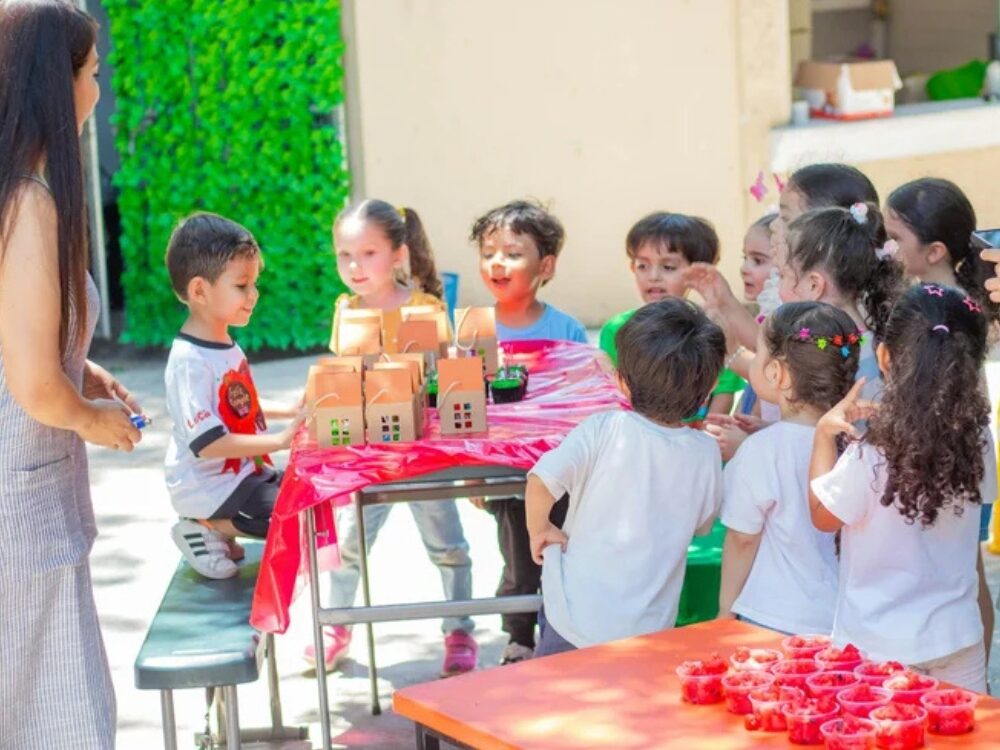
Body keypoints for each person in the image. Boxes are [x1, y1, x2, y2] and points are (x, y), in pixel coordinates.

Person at [0, 2, 143, 746]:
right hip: (18, 524)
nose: (98, 88)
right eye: (92, 73)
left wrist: (81, 367)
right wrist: (94, 418)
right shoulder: (27, 201)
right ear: (54, 85)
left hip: (31, 505)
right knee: (54, 717)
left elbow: (20, 340)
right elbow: (28, 382)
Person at [309, 199, 478, 677]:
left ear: (398, 254)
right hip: (368, 456)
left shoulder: (425, 307)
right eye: (345, 255)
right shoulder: (345, 311)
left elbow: (448, 378)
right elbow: (343, 381)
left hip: (422, 454)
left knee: (448, 547)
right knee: (347, 547)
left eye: (367, 253)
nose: (354, 267)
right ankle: (335, 626)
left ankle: (459, 629)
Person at [810, 283, 996, 692]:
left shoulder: (870, 454)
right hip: (958, 639)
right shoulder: (978, 438)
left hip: (879, 650)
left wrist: (824, 435)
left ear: (884, 358)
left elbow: (823, 517)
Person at [527, 298, 724, 655]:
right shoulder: (706, 452)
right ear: (707, 391)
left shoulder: (603, 427)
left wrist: (540, 530)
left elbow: (540, 481)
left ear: (622, 383)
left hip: (571, 616)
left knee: (554, 706)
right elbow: (702, 525)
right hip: (646, 630)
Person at [885, 177, 998, 660]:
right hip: (959, 447)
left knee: (964, 571)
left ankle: (977, 670)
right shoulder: (940, 295)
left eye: (894, 237)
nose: (884, 247)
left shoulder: (940, 308)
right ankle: (976, 672)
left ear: (934, 250)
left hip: (952, 448)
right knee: (963, 570)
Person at [468, 199, 585, 664]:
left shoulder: (566, 329)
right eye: (489, 251)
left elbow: (583, 403)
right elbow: (463, 405)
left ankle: (562, 633)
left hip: (558, 471)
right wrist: (474, 473)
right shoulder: (472, 329)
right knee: (518, 559)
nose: (498, 262)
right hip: (505, 472)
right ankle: (519, 636)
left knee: (561, 554)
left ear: (546, 265)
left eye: (513, 252)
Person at [164, 213, 305, 579]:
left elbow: (238, 407)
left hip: (243, 474)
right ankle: (207, 525)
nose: (254, 294)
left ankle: (221, 527)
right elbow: (207, 442)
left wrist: (289, 410)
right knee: (290, 513)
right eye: (242, 286)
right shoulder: (189, 361)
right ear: (199, 291)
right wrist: (279, 439)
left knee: (307, 493)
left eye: (254, 283)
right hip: (210, 486)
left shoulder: (225, 344)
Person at [719, 302, 861, 634]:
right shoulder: (857, 445)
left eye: (757, 353)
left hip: (771, 618)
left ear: (776, 374)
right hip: (843, 620)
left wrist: (726, 608)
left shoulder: (760, 451)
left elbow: (742, 538)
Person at [599, 211, 744, 419]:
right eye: (643, 266)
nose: (653, 277)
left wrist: (708, 435)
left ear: (698, 271)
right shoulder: (615, 329)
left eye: (668, 267)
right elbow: (611, 394)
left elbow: (724, 392)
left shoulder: (715, 329)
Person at [778, 202, 905, 401]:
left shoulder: (838, 353)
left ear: (814, 285)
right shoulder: (860, 343)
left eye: (782, 276)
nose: (778, 289)